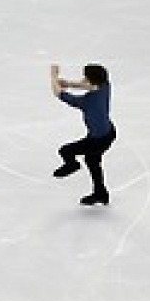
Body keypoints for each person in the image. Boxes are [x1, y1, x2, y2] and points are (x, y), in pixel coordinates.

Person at [50, 63, 115, 206]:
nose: (83, 80)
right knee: (92, 161)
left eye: (85, 78)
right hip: (108, 133)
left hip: (97, 140)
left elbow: (58, 93)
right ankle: (101, 194)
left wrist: (53, 76)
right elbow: (89, 85)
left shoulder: (88, 102)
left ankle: (72, 164)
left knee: (65, 151)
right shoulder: (105, 86)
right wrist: (69, 83)